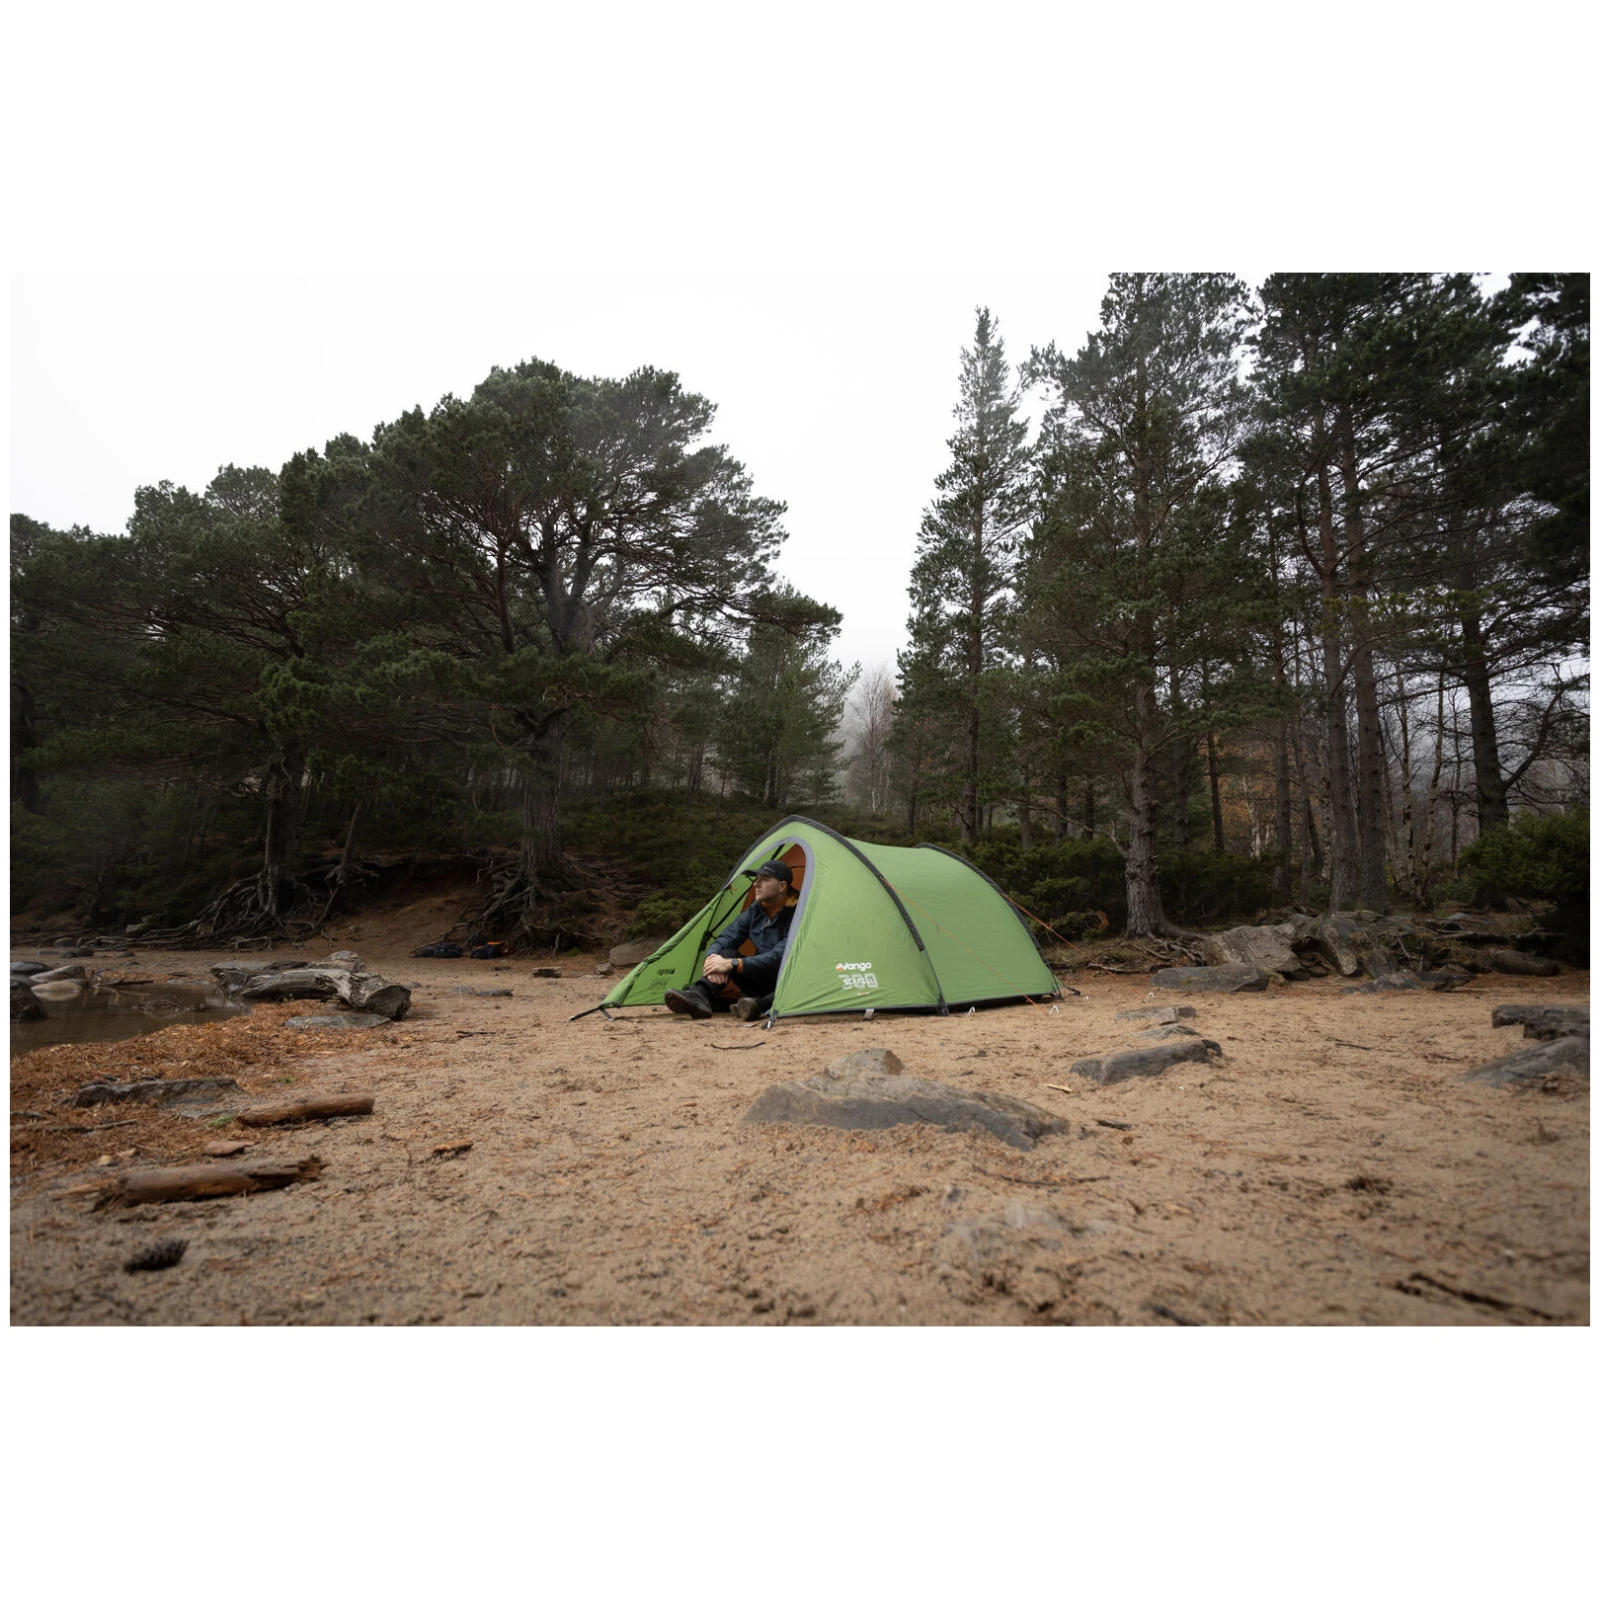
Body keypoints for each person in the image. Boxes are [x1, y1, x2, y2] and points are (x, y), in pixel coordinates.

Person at [664, 861, 794, 1021]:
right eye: (756, 878)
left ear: (782, 886)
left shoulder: (798, 912)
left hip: (786, 981)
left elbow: (780, 956)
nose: (756, 884)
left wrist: (732, 964)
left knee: (731, 961)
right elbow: (727, 937)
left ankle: (758, 1005)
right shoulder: (756, 909)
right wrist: (713, 961)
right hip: (760, 977)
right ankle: (699, 994)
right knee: (725, 953)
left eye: (764, 879)